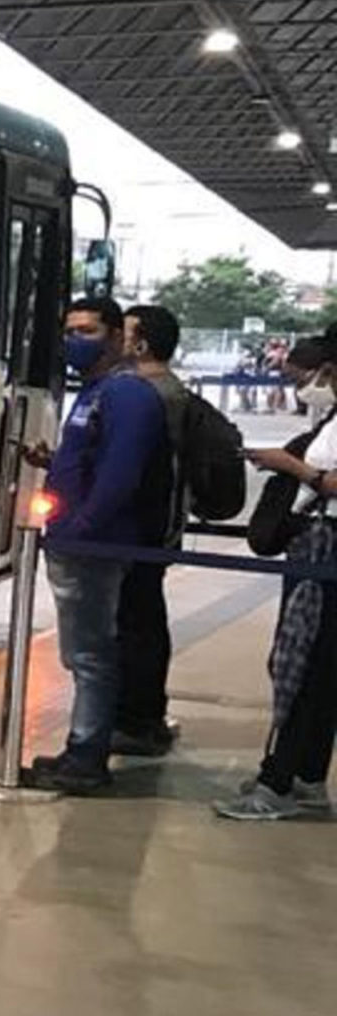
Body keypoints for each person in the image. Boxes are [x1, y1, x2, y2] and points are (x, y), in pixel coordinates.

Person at [22, 296, 172, 793]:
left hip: (95, 546)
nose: (74, 341)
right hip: (78, 539)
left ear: (116, 337)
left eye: (87, 331)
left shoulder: (127, 395)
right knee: (84, 654)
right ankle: (81, 748)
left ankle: (86, 757)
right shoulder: (96, 392)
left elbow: (120, 475)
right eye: (70, 331)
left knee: (91, 656)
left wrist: (82, 527)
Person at [216, 343, 337, 819]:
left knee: (303, 666)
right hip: (317, 545)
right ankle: (307, 775)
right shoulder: (330, 418)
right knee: (320, 667)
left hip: (327, 548)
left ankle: (277, 783)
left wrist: (292, 467)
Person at [114, 302, 191, 756]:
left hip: (145, 525)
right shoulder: (169, 389)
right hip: (155, 523)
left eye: (123, 333)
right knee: (144, 618)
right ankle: (145, 715)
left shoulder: (153, 394)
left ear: (140, 344)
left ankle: (138, 720)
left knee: (137, 621)